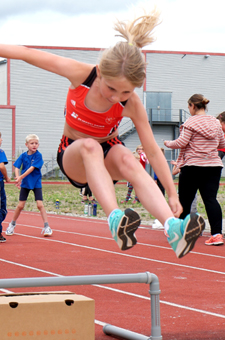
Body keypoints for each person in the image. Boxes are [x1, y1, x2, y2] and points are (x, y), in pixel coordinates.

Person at [0, 10, 205, 257]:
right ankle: (115, 219)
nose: (116, 98)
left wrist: (172, 192)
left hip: (108, 153)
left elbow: (151, 150)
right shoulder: (81, 75)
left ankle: (174, 230)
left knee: (128, 158)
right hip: (75, 153)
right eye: (111, 88)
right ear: (100, 72)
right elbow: (28, 54)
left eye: (125, 93)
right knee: (90, 146)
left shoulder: (132, 104)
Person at [164, 94, 225, 246]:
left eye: (189, 107)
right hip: (213, 165)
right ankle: (217, 234)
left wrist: (168, 143)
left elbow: (182, 142)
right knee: (210, 199)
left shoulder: (190, 122)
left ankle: (179, 232)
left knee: (185, 200)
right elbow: (222, 142)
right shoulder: (216, 123)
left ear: (192, 105)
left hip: (193, 166)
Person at [6, 134, 52, 237]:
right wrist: (18, 178)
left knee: (40, 205)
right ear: (27, 145)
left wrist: (20, 177)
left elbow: (31, 169)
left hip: (36, 183)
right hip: (26, 184)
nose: (34, 145)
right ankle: (12, 224)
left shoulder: (38, 156)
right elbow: (17, 167)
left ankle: (46, 226)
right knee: (20, 206)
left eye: (36, 143)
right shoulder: (23, 155)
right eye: (32, 143)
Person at [0, 132, 11, 242]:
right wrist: (7, 177)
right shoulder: (0, 152)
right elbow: (1, 166)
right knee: (2, 209)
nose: (2, 140)